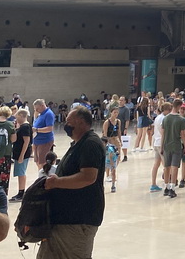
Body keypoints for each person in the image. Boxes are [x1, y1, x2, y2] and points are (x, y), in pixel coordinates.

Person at [41, 106, 106, 259]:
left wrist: (56, 183)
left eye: (69, 122)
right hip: (63, 219)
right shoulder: (77, 144)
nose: (66, 125)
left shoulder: (90, 144)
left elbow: (88, 177)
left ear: (81, 123)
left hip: (78, 220)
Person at [160, 101, 185, 199]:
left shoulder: (165, 118)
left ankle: (166, 187)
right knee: (174, 167)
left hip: (166, 145)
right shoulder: (181, 119)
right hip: (176, 145)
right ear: (179, 106)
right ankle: (172, 188)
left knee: (166, 167)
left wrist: (161, 146)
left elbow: (163, 133)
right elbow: (183, 135)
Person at [10, 108, 32, 203]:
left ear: (22, 116)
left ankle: (21, 192)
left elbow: (26, 141)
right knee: (20, 172)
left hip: (22, 153)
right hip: (18, 152)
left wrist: (22, 155)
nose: (16, 118)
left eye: (17, 116)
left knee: (21, 172)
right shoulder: (21, 126)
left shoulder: (25, 127)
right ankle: (20, 191)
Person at [31, 100, 56, 169]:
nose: (36, 110)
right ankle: (40, 176)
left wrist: (37, 130)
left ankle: (44, 176)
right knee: (37, 161)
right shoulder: (40, 114)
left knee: (42, 162)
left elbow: (49, 128)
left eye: (37, 108)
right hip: (36, 141)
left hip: (44, 141)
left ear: (42, 106)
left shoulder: (48, 114)